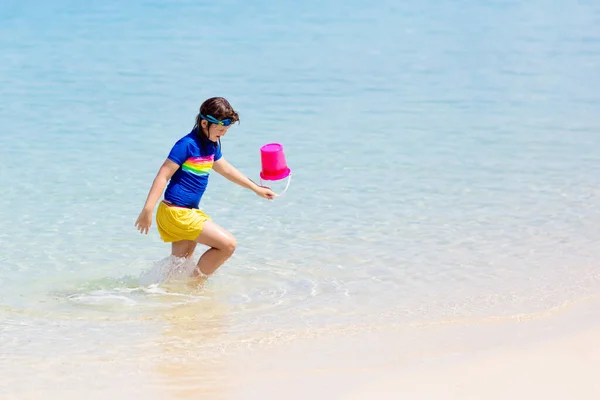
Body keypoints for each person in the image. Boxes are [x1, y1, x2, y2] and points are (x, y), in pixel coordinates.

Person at [135, 97, 276, 278]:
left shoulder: (211, 146)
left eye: (226, 130)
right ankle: (195, 286)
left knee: (180, 267)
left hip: (184, 212)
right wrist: (147, 210)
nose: (223, 134)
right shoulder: (187, 145)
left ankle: (166, 294)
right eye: (220, 130)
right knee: (228, 245)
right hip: (177, 213)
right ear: (204, 123)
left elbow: (226, 170)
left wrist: (256, 188)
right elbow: (163, 175)